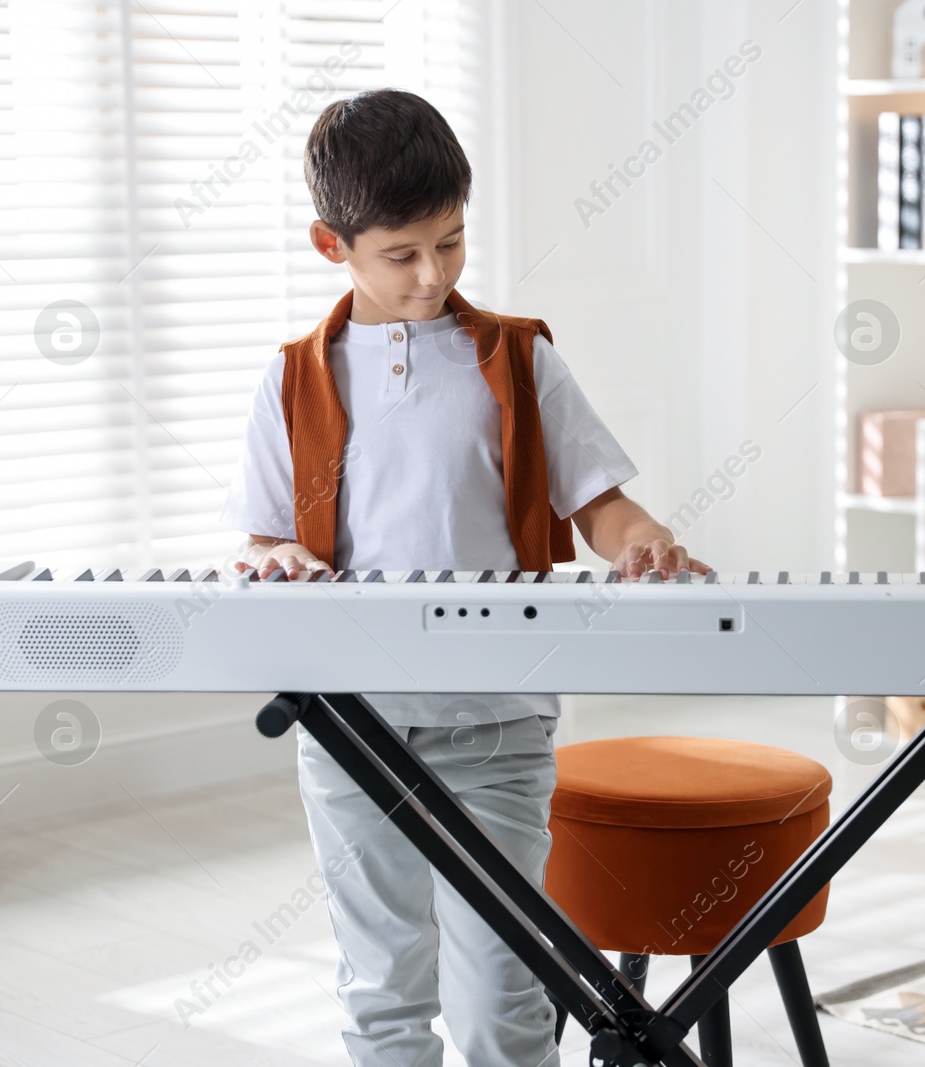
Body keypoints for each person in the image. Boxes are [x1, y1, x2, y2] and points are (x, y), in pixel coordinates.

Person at [219, 88, 707, 1067]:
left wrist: (643, 534)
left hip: (497, 721)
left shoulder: (518, 360)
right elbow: (269, 535)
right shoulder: (290, 380)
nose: (432, 273)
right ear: (332, 246)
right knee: (381, 990)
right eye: (402, 254)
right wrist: (276, 557)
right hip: (351, 729)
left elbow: (597, 503)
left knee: (502, 998)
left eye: (451, 241)